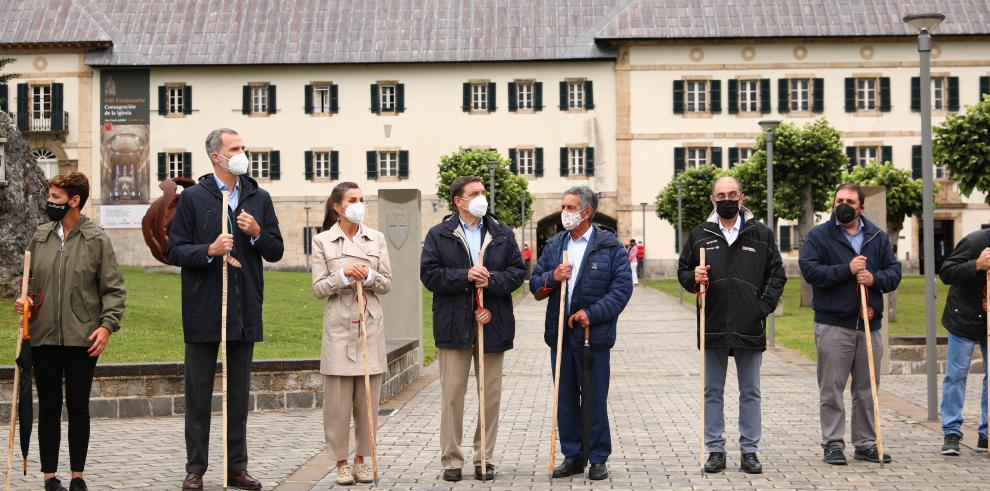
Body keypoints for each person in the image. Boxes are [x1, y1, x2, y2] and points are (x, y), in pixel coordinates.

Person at [168, 128, 284, 490]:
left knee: (237, 394)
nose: (242, 153)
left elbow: (276, 250)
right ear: (216, 156)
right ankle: (196, 469)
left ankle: (237, 467)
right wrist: (209, 250)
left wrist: (256, 232)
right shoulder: (192, 198)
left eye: (243, 148)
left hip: (244, 308)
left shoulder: (258, 197)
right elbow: (175, 251)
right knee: (199, 394)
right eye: (235, 149)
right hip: (204, 309)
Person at [14, 171, 126, 491]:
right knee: (48, 406)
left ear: (74, 201)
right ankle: (50, 476)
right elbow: (32, 284)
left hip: (83, 338)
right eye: (50, 197)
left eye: (56, 198)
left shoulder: (97, 239)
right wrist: (26, 300)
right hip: (43, 336)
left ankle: (78, 476)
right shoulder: (40, 236)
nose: (49, 203)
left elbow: (114, 290)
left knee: (78, 406)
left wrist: (106, 327)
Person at [677, 176, 785, 474]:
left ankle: (749, 450)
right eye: (721, 194)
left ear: (742, 197)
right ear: (713, 199)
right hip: (712, 321)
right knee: (712, 389)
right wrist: (693, 279)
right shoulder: (700, 234)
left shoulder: (760, 233)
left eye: (732, 193)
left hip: (749, 325)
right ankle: (715, 449)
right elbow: (683, 271)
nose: (727, 198)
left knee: (750, 390)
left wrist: (760, 309)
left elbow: (776, 275)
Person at [420, 176, 525, 482]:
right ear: (459, 201)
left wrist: (491, 279)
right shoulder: (440, 234)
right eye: (475, 193)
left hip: (492, 322)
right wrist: (465, 275)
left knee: (489, 396)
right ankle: (452, 459)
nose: (481, 197)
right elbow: (430, 275)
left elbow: (517, 272)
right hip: (454, 325)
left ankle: (484, 458)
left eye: (482, 192)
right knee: (452, 394)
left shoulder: (501, 233)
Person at [531, 186, 633, 481]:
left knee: (594, 398)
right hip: (560, 337)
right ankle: (572, 455)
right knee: (564, 399)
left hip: (593, 337)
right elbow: (536, 285)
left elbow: (621, 289)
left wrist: (592, 313)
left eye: (569, 208)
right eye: (563, 207)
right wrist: (553, 276)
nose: (565, 213)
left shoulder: (608, 245)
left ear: (586, 212)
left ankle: (598, 456)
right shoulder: (554, 245)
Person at [798, 183, 901, 465]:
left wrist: (874, 279)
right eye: (839, 200)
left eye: (850, 201)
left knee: (867, 389)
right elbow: (810, 271)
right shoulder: (820, 236)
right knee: (832, 388)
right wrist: (847, 270)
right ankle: (832, 443)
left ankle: (866, 443)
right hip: (834, 324)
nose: (843, 204)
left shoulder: (877, 237)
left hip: (869, 323)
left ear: (861, 207)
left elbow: (894, 271)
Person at [311, 182, 393, 484]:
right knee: (338, 402)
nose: (359, 204)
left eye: (362, 199)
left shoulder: (376, 238)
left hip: (369, 322)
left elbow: (386, 282)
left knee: (367, 399)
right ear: (338, 207)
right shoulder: (322, 241)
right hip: (339, 325)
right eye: (352, 199)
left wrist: (368, 274)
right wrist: (344, 274)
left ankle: (361, 458)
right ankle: (341, 461)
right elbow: (319, 288)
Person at [937, 228, 989, 455]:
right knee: (956, 374)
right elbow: (947, 272)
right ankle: (951, 432)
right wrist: (976, 265)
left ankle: (986, 433)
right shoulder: (975, 241)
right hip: (963, 316)